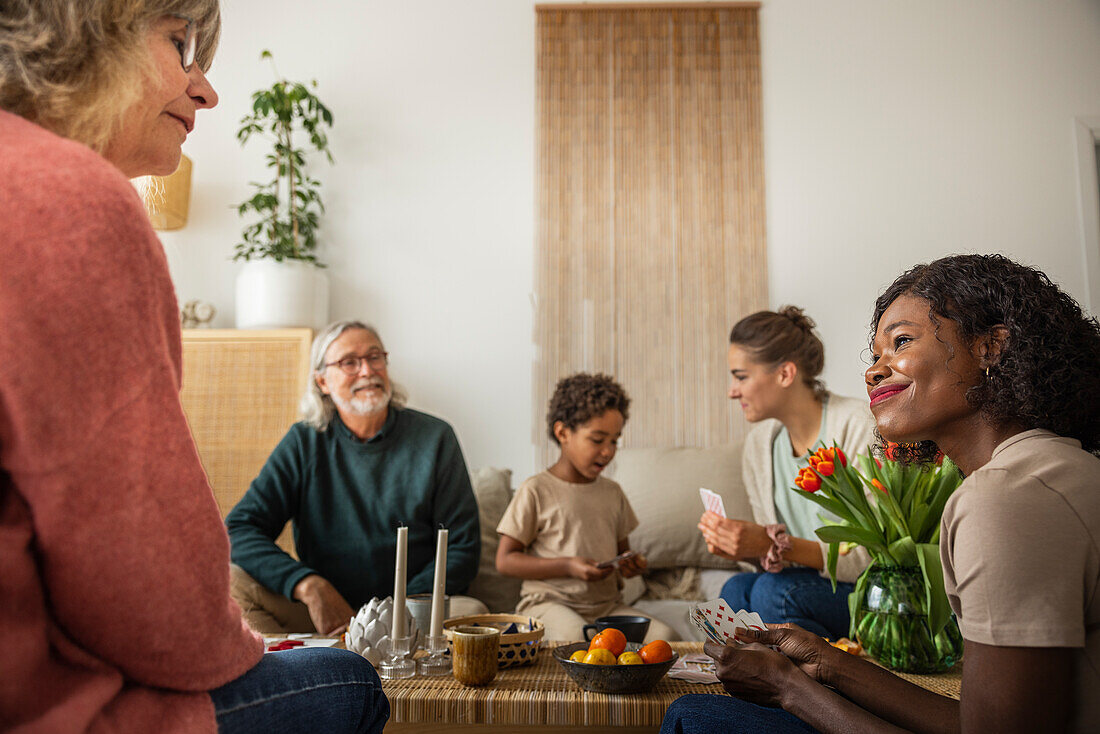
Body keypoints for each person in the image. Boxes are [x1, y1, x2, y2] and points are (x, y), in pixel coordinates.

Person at [0, 2, 387, 733]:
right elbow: (160, 604)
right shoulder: (70, 198)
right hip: (47, 707)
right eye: (180, 45)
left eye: (375, 357)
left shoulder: (429, 439)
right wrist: (296, 590)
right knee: (348, 681)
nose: (206, 91)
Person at [662, 253, 1100, 733]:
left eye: (902, 342)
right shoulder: (1052, 467)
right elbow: (979, 721)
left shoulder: (1008, 497)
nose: (874, 371)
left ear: (991, 348)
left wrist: (790, 688)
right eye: (875, 356)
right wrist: (829, 664)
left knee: (694, 716)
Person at [227, 320, 487, 635]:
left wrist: (398, 608)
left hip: (412, 611)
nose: (367, 370)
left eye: (375, 357)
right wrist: (308, 586)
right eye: (349, 362)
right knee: (232, 581)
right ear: (322, 381)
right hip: (328, 615)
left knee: (472, 612)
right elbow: (240, 528)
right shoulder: (303, 442)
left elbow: (462, 546)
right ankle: (303, 667)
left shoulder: (435, 438)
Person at [697, 307, 876, 639]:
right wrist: (746, 547)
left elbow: (871, 556)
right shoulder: (759, 446)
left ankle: (793, 685)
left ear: (784, 374)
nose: (732, 391)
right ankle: (757, 683)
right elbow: (776, 563)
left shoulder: (858, 425)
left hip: (864, 591)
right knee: (736, 589)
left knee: (774, 592)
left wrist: (773, 543)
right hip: (801, 585)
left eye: (740, 376)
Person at [496, 373, 677, 642]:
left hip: (607, 608)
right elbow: (505, 560)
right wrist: (568, 566)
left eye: (614, 440)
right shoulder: (535, 489)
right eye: (597, 439)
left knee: (665, 637)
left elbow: (621, 552)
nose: (608, 451)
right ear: (563, 433)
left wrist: (630, 564)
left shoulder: (612, 492)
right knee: (577, 638)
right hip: (549, 605)